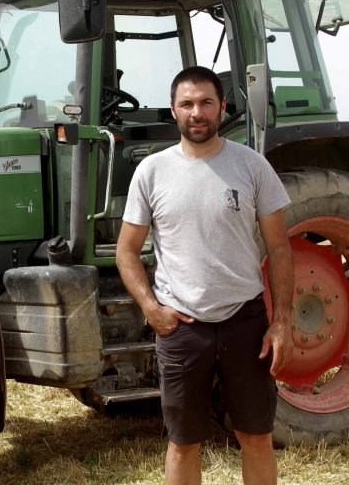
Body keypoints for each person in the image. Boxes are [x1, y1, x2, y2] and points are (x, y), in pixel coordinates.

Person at [116, 66, 294, 485]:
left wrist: (282, 320)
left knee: (256, 436)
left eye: (206, 103)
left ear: (222, 107)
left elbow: (280, 248)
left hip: (245, 323)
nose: (197, 112)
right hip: (182, 327)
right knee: (183, 442)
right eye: (187, 104)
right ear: (175, 111)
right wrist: (151, 308)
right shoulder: (152, 172)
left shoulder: (251, 166)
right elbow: (126, 251)